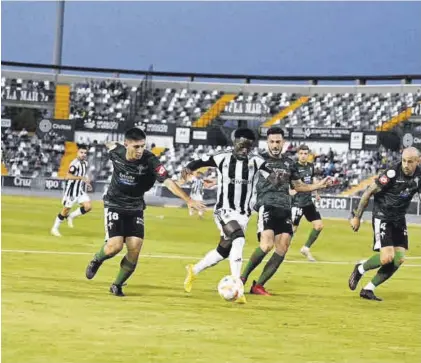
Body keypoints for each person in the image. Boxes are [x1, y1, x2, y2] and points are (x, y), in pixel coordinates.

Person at [182, 128, 331, 303]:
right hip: (224, 209)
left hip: (243, 213)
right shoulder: (221, 157)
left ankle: (194, 270)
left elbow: (273, 178)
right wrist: (189, 177)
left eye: (248, 147)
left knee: (223, 251)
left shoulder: (256, 161)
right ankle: (238, 286)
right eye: (242, 145)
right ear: (235, 143)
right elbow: (195, 164)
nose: (245, 150)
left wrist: (281, 178)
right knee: (239, 239)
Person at [85, 128, 205, 296]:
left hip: (135, 207)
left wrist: (188, 200)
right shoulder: (116, 151)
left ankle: (117, 285)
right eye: (136, 147)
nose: (140, 150)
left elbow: (168, 182)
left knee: (135, 248)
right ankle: (97, 259)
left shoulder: (150, 160)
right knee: (114, 247)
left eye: (143, 146)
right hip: (114, 204)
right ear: (126, 144)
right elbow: (109, 143)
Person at [240, 129, 331, 295]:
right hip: (266, 205)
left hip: (285, 208)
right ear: (267, 143)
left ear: (283, 143)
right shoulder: (258, 159)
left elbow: (298, 186)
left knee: (282, 247)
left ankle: (258, 285)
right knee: (266, 245)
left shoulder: (290, 163)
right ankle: (242, 279)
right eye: (272, 142)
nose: (275, 145)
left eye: (278, 142)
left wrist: (318, 186)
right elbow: (240, 174)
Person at [348, 147, 421, 301]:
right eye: (404, 161)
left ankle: (368, 289)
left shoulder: (419, 176)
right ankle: (360, 268)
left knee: (399, 259)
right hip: (383, 216)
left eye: (410, 162)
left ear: (418, 161)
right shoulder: (391, 173)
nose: (406, 165)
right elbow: (368, 192)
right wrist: (357, 217)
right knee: (387, 258)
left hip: (399, 219)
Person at [290, 144, 324, 262]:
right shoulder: (293, 167)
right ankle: (280, 250)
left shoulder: (311, 166)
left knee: (319, 225)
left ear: (308, 155)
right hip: (297, 203)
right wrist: (289, 190)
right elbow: (286, 181)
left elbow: (312, 180)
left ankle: (305, 248)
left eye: (305, 154)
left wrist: (316, 193)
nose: (303, 156)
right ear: (298, 154)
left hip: (308, 202)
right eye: (301, 153)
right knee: (293, 229)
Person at [51, 144, 92, 237]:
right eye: (81, 152)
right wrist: (80, 178)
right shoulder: (74, 164)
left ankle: (71, 216)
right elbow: (68, 176)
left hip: (80, 190)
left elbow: (83, 176)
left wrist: (87, 182)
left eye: (85, 153)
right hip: (71, 191)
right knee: (65, 210)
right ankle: (55, 228)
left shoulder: (85, 163)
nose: (83, 154)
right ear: (77, 152)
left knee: (88, 207)